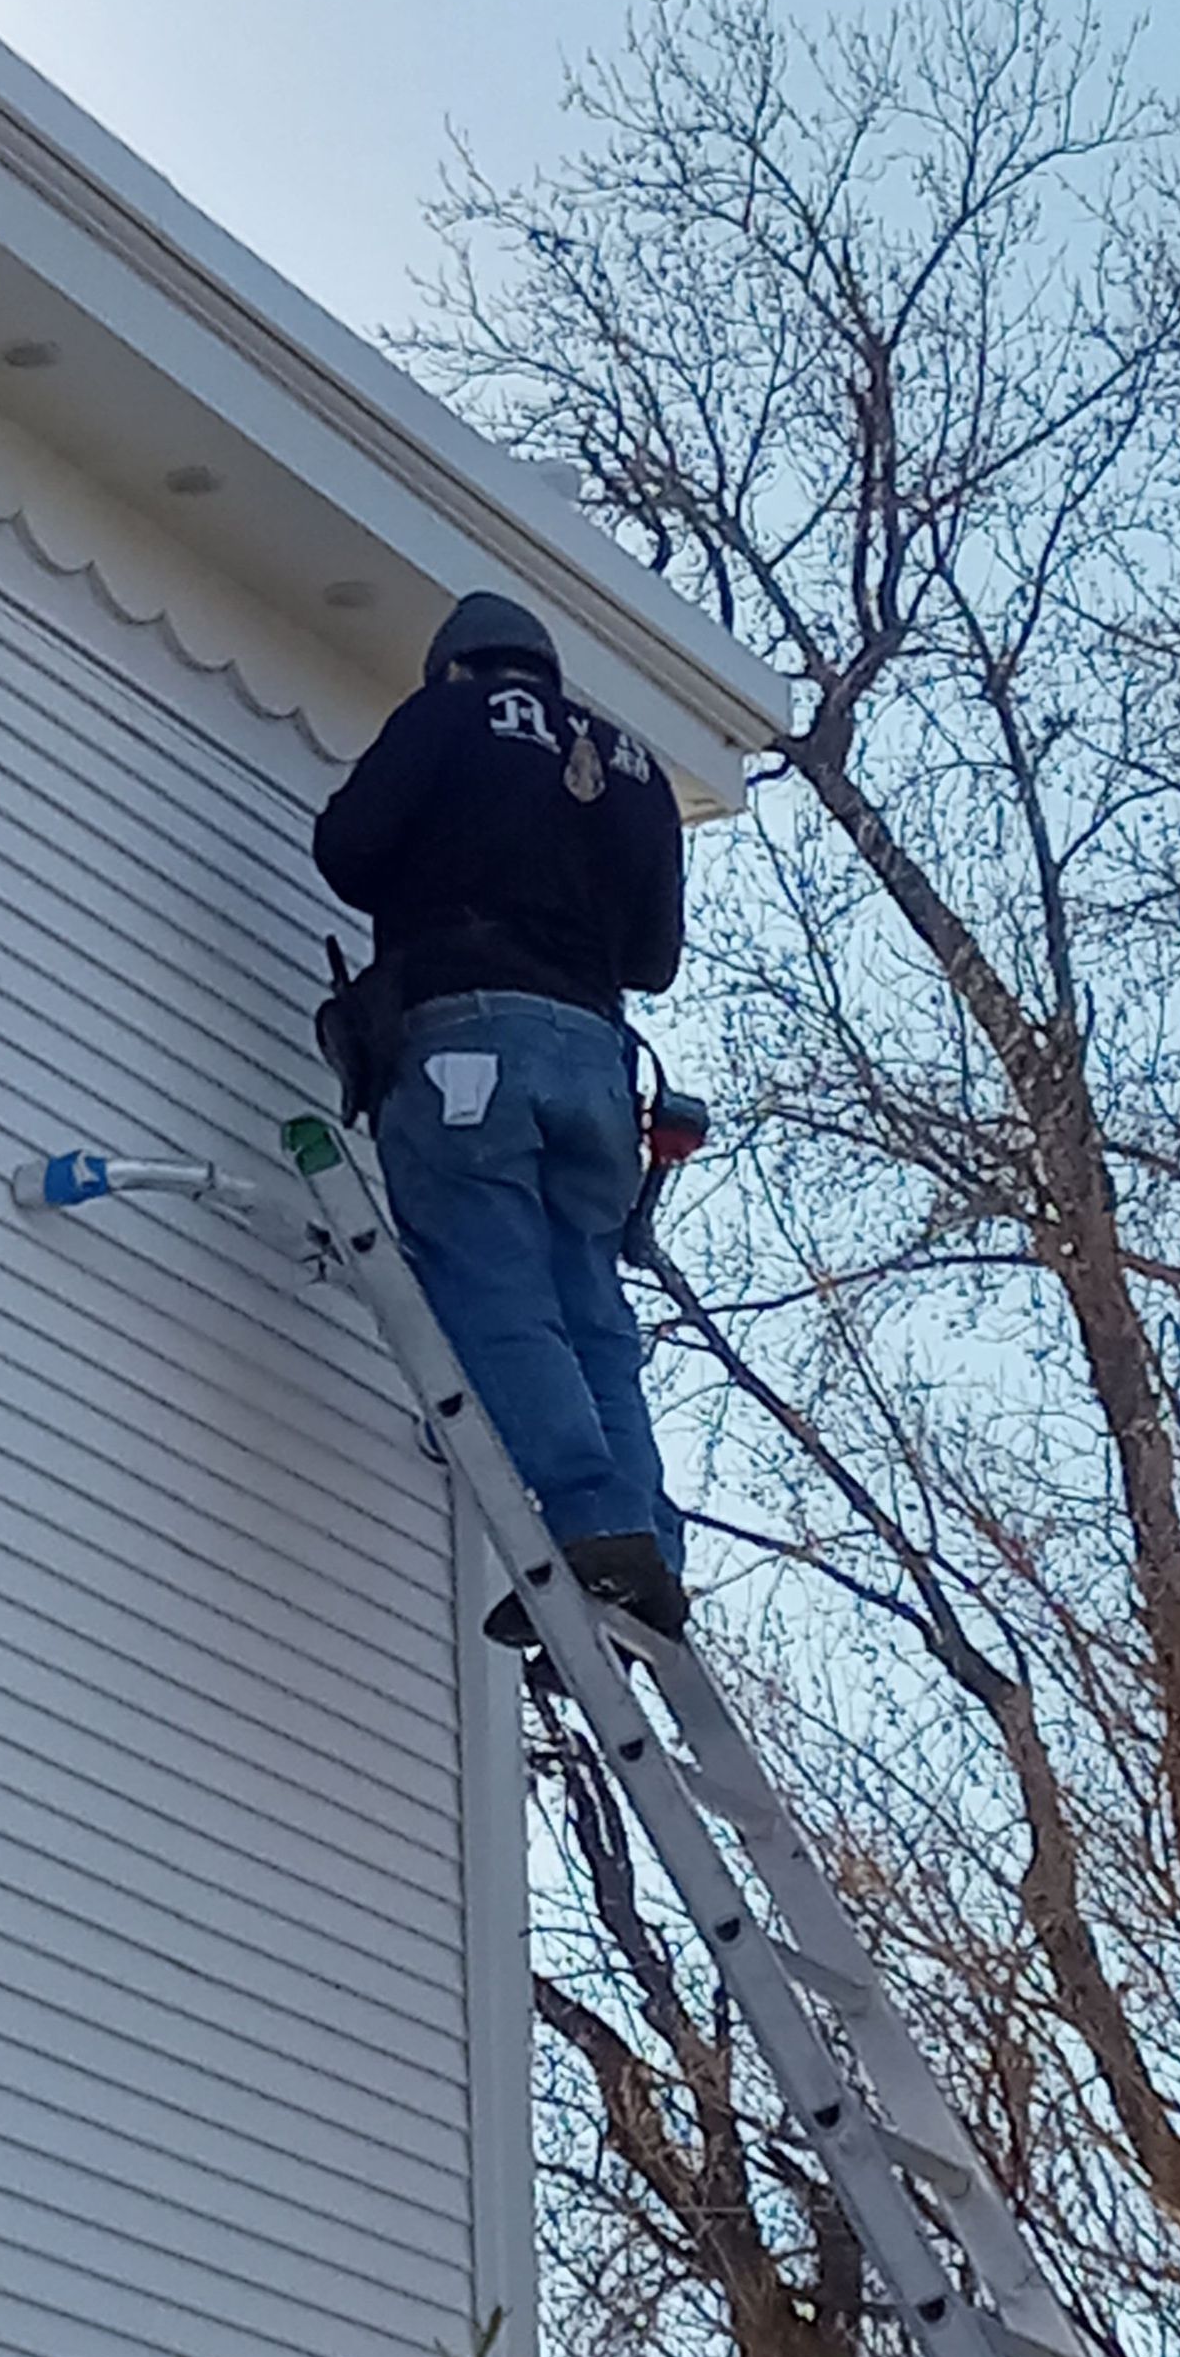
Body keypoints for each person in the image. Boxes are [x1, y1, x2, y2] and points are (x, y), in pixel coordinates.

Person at [312, 590, 689, 1644]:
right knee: (591, 1311)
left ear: (454, 668)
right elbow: (654, 959)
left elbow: (347, 848)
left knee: (493, 1284)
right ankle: (644, 1544)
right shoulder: (632, 764)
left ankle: (593, 1530)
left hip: (471, 1043)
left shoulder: (448, 718)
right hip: (599, 1068)